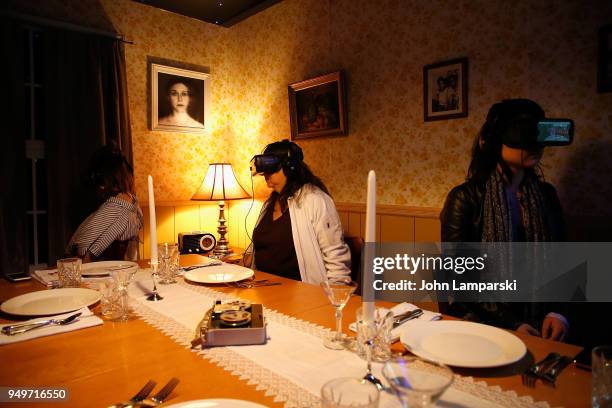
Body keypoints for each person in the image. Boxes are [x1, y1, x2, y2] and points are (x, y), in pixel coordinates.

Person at [440, 99, 569, 341]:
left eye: (538, 133)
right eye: (523, 133)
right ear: (491, 141)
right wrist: (512, 323)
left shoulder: (546, 195)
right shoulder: (465, 198)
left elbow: (564, 261)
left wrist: (558, 313)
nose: (534, 144)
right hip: (482, 325)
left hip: (542, 325)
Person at [248, 140, 351, 284]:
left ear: (290, 168)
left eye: (272, 169)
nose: (266, 174)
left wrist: (333, 298)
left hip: (301, 293)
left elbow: (336, 258)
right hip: (260, 287)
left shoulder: (315, 200)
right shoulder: (269, 203)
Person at [66, 145, 143, 262]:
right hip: (121, 267)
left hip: (103, 270)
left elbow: (84, 248)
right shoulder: (131, 204)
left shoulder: (116, 207)